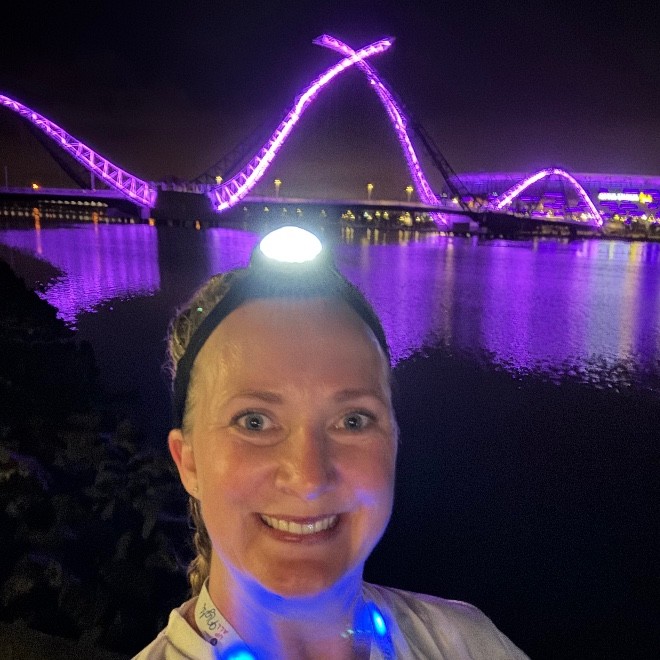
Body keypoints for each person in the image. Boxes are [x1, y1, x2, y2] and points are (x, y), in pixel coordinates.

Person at [133, 226, 529, 659]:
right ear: (188, 463)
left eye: (352, 421)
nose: (308, 478)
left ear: (394, 445)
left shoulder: (470, 644)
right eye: (254, 422)